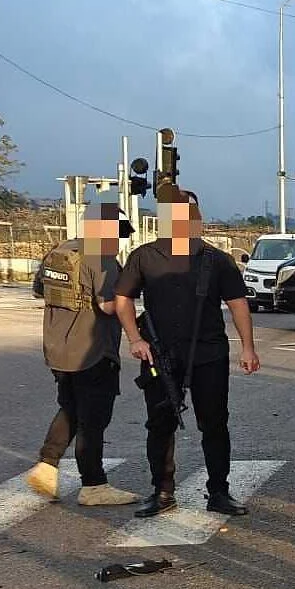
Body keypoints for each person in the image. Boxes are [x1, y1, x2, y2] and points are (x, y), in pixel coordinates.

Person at [114, 192, 259, 518]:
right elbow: (123, 298)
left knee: (215, 424)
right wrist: (135, 338)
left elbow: (238, 304)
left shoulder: (217, 259)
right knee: (159, 424)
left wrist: (248, 347)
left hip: (208, 353)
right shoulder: (144, 257)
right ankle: (162, 492)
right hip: (158, 354)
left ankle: (219, 492)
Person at [25, 205, 137, 507]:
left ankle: (47, 466)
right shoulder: (101, 259)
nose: (119, 242)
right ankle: (94, 485)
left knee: (70, 408)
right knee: (93, 419)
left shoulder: (60, 251)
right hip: (92, 350)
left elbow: (39, 290)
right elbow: (108, 306)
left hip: (59, 349)